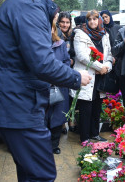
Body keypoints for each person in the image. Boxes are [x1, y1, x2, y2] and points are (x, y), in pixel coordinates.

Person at [0, 0, 91, 181]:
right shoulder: (27, 6)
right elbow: (41, 62)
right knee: (42, 174)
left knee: (31, 173)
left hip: (16, 104)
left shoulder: (23, 3)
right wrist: (75, 77)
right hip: (19, 107)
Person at [73, 10, 113, 143]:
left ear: (99, 20)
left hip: (100, 77)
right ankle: (85, 138)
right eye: (89, 19)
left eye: (95, 19)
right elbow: (82, 56)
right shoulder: (80, 34)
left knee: (97, 108)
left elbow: (109, 55)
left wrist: (106, 67)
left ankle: (95, 133)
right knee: (86, 109)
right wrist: (99, 67)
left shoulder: (104, 34)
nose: (92, 22)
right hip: (87, 76)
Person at [46, 12, 70, 154]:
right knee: (44, 117)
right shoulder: (38, 45)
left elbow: (66, 61)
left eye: (51, 28)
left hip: (59, 85)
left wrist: (60, 73)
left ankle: (54, 145)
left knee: (57, 116)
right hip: (43, 86)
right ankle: (43, 145)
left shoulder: (60, 44)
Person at [57, 11, 76, 134]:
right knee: (60, 97)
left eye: (67, 22)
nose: (65, 25)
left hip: (70, 70)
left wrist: (72, 60)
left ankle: (70, 120)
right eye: (62, 22)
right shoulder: (55, 35)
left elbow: (75, 52)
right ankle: (62, 123)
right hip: (59, 70)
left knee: (71, 97)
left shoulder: (72, 36)